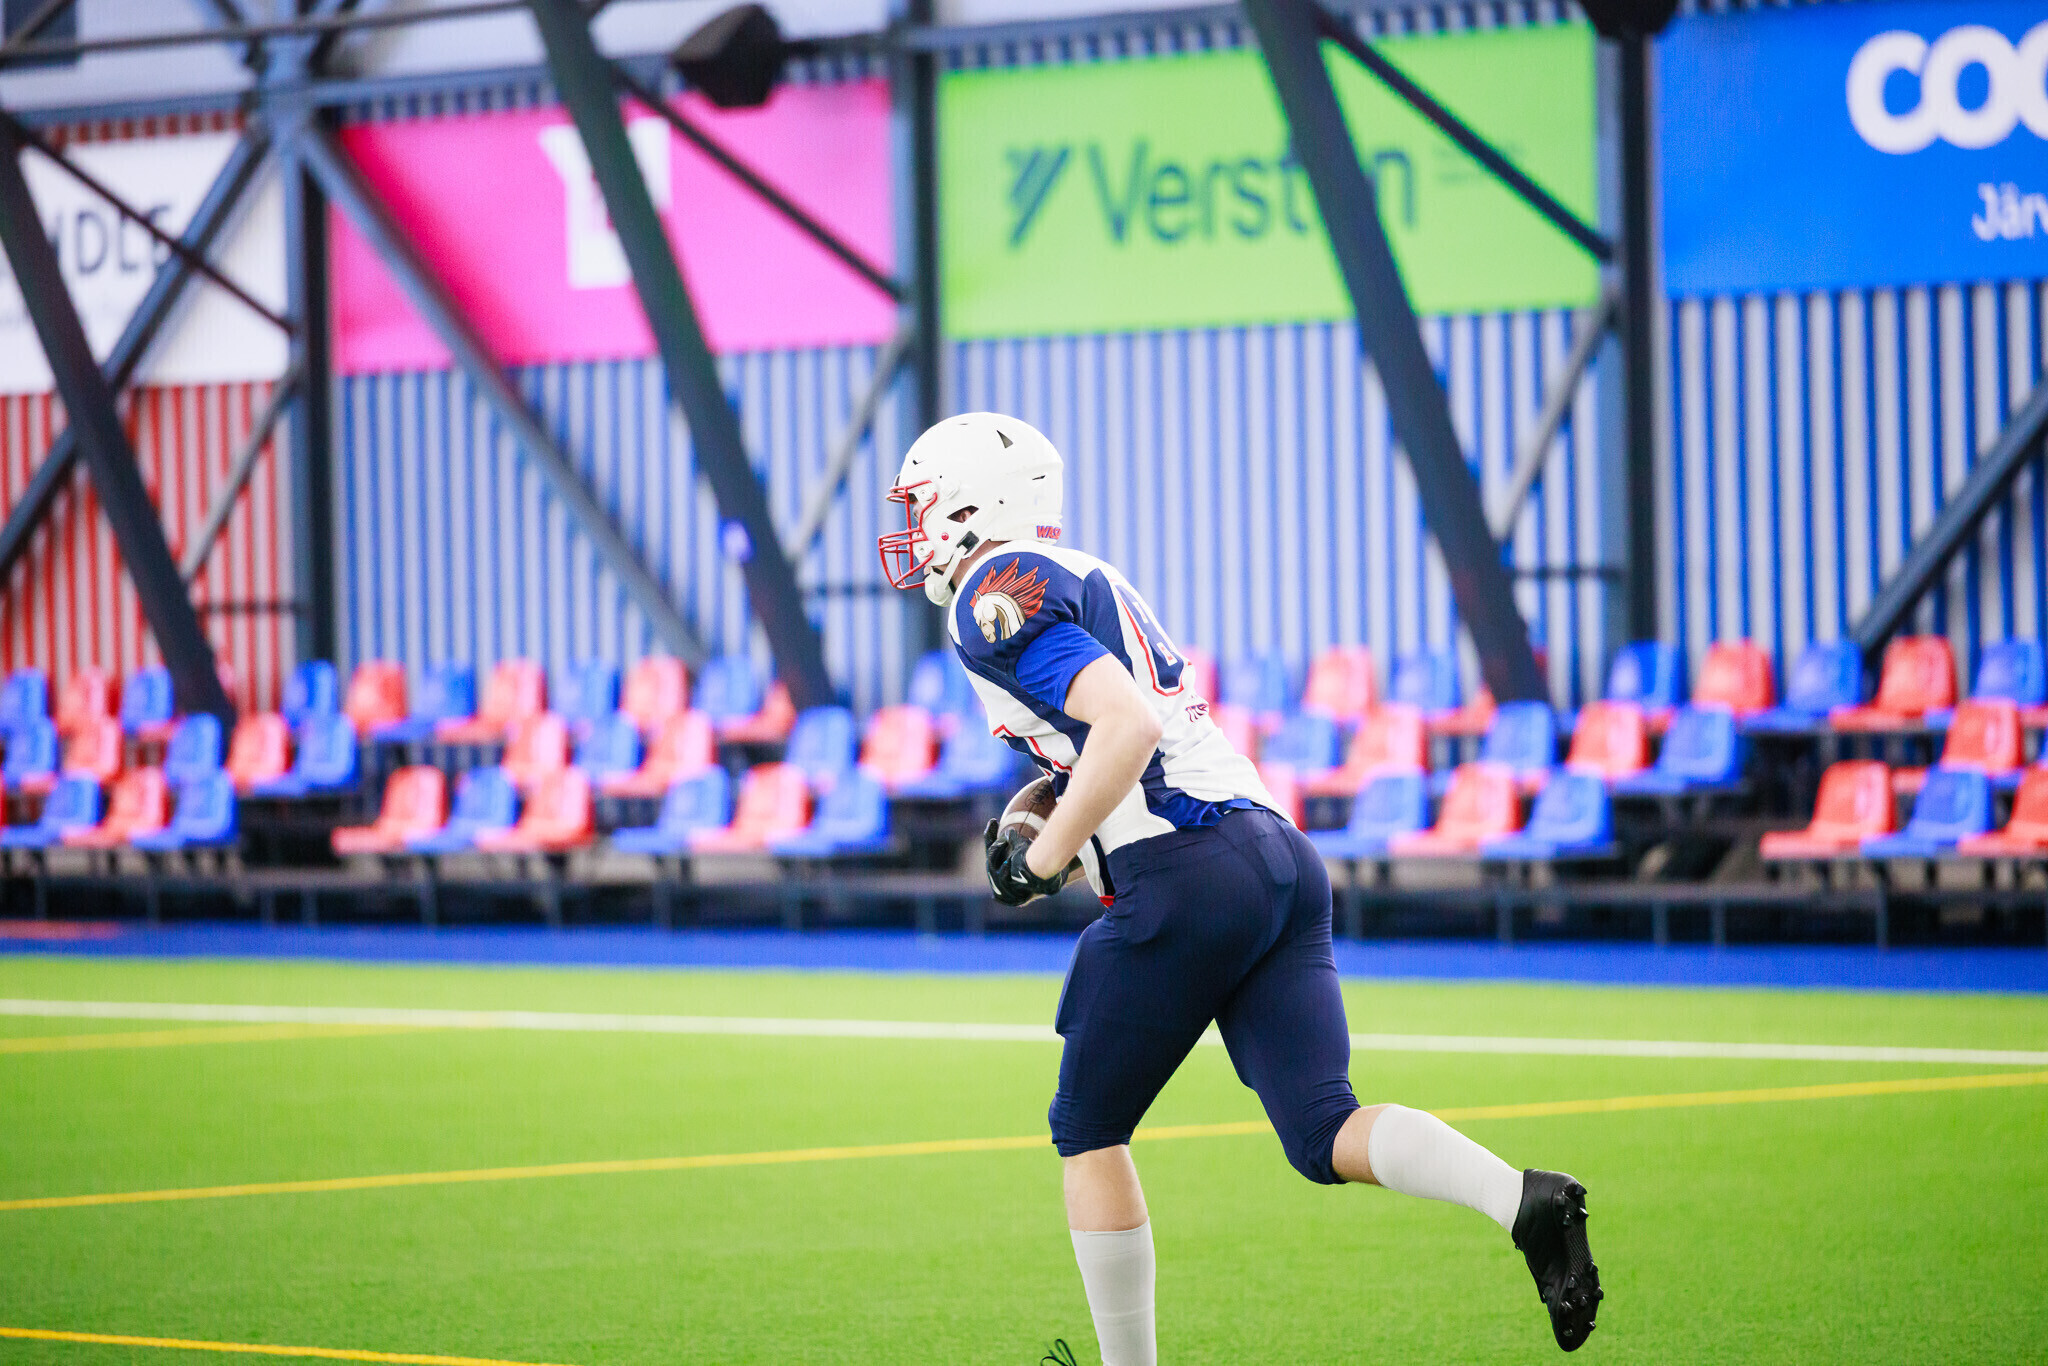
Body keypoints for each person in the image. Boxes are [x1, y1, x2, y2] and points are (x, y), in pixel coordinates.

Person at [879, 413, 1603, 1361]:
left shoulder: (992, 591)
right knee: (1324, 1129)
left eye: (922, 506)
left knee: (1088, 1129)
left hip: (1187, 872)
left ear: (973, 506)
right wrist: (1060, 812)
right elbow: (1131, 739)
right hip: (1277, 857)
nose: (913, 528)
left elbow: (1127, 729)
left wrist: (1045, 857)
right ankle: (1523, 1200)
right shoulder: (1085, 572)